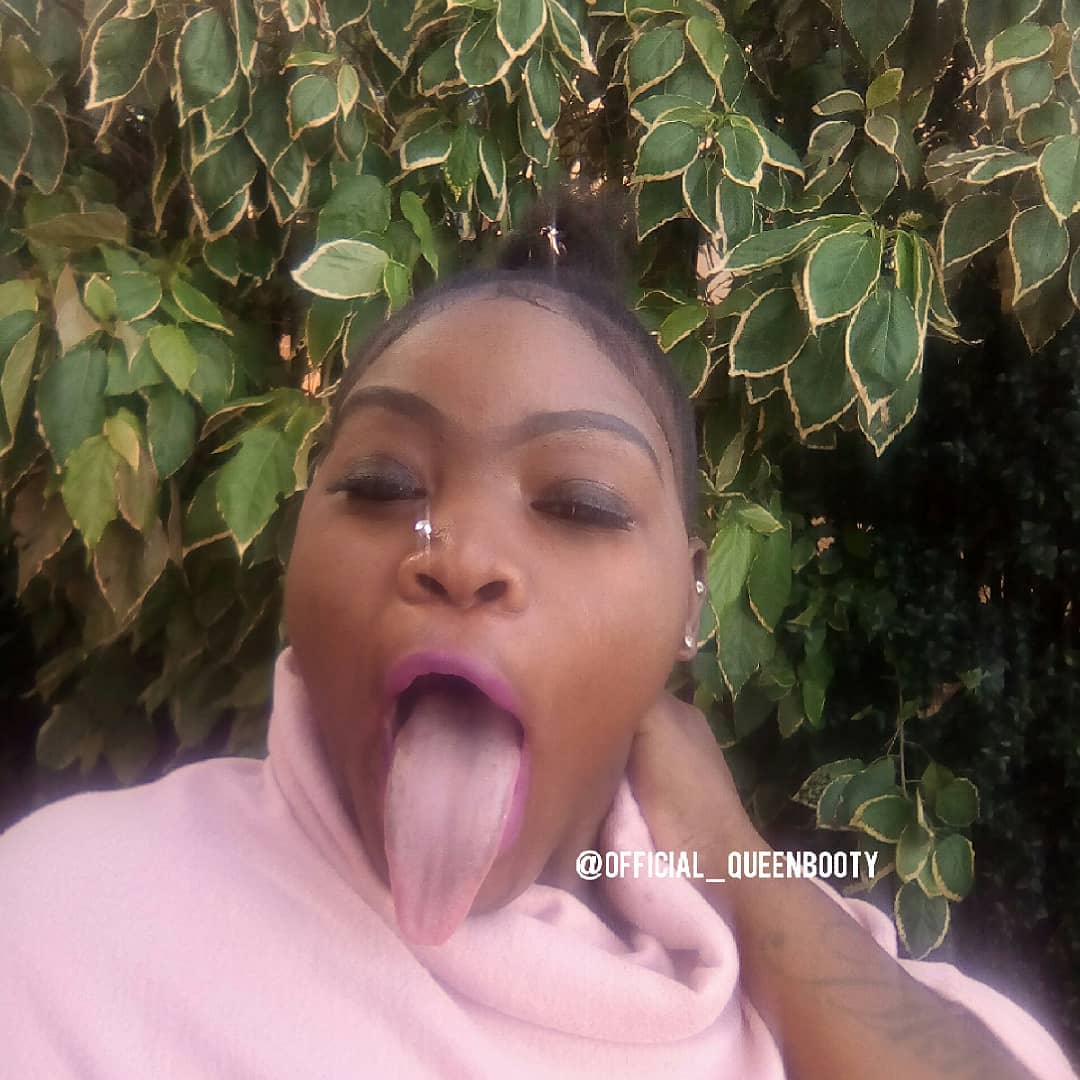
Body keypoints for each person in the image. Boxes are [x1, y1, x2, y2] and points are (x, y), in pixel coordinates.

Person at [0, 182, 1075, 1079]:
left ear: (693, 599)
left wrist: (728, 854)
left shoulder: (827, 976)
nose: (460, 552)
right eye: (381, 484)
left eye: (579, 504)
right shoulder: (63, 927)